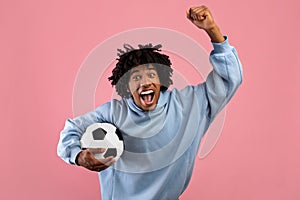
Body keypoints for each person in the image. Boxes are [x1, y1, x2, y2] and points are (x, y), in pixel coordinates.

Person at [57, 5, 243, 200]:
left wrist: (212, 30)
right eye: (135, 77)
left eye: (152, 74)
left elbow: (229, 79)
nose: (145, 82)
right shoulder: (113, 113)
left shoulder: (190, 104)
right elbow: (70, 131)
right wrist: (79, 156)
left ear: (162, 79)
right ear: (126, 86)